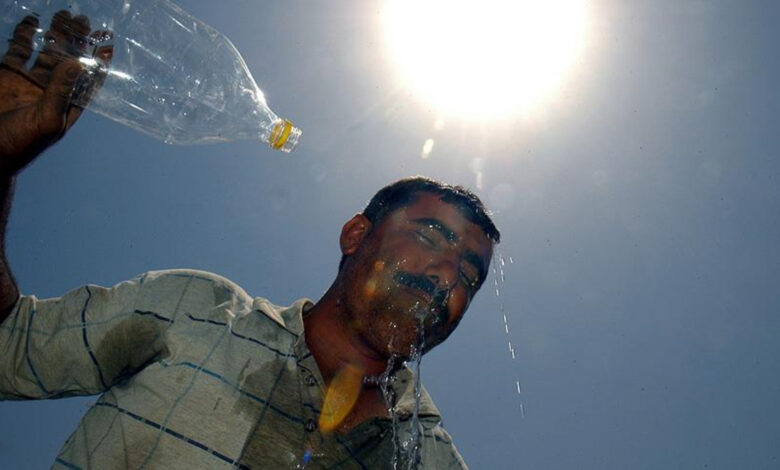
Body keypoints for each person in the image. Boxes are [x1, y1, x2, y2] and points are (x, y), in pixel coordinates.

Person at [0, 12, 500, 470]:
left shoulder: (428, 460)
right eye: (432, 235)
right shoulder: (189, 313)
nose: (448, 275)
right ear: (356, 234)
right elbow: (10, 348)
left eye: (471, 275)